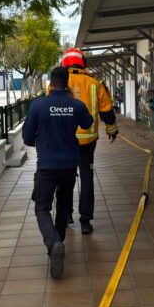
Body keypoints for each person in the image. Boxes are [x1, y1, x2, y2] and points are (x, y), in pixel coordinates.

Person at [23, 66, 93, 279]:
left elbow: (26, 138)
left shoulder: (38, 105)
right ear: (68, 83)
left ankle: (53, 244)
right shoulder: (76, 105)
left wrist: (42, 142)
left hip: (46, 167)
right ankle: (57, 243)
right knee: (63, 206)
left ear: (50, 83)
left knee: (42, 208)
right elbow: (87, 123)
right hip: (70, 165)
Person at [59, 48, 119, 234]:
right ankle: (85, 221)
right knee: (86, 179)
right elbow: (107, 110)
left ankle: (66, 215)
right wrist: (112, 129)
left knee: (64, 179)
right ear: (82, 63)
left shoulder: (56, 83)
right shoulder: (95, 84)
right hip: (87, 143)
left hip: (64, 142)